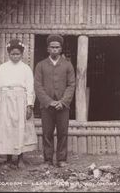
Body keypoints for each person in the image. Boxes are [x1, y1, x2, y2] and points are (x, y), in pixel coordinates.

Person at [0, 39, 37, 168]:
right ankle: (8, 158)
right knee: (6, 128)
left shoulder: (26, 69)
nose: (15, 56)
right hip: (5, 99)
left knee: (20, 127)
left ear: (22, 54)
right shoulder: (2, 68)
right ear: (8, 54)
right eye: (12, 54)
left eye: (17, 54)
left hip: (20, 99)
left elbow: (30, 88)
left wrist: (29, 105)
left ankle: (20, 158)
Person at [34, 34, 76, 168]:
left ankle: (61, 160)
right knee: (47, 133)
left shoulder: (68, 65)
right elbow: (38, 86)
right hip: (46, 107)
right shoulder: (40, 65)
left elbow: (71, 85)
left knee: (63, 133)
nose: (54, 50)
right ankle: (47, 160)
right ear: (48, 49)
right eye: (52, 47)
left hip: (63, 106)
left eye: (57, 47)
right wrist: (48, 102)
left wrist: (63, 102)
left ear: (61, 49)